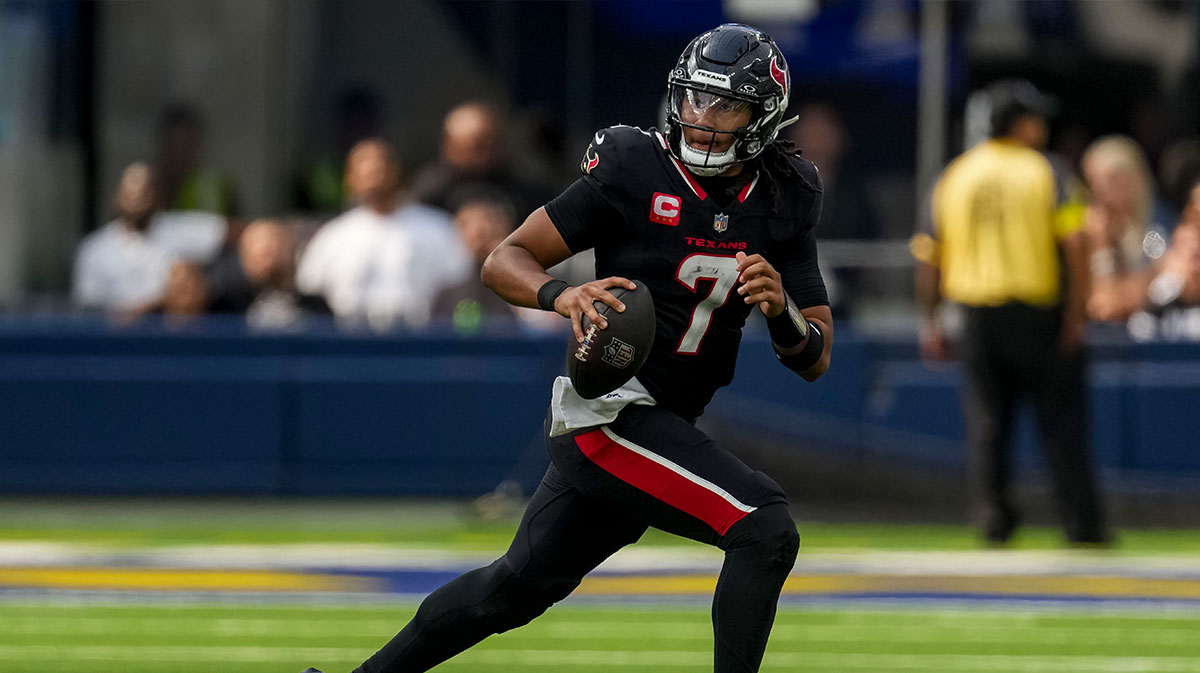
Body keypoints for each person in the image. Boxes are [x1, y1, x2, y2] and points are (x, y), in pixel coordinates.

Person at [301, 23, 832, 673]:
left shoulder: (785, 193)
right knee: (764, 527)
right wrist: (562, 296)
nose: (702, 118)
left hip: (661, 422)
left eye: (725, 105)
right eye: (694, 98)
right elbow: (506, 258)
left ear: (763, 116)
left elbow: (814, 355)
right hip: (612, 412)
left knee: (509, 591)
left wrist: (783, 315)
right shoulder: (636, 168)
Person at [911, 79, 1109, 546]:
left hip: (978, 316)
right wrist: (1077, 314)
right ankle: (1081, 523)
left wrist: (932, 319)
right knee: (1062, 426)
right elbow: (1077, 243)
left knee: (988, 426)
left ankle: (994, 519)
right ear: (1021, 124)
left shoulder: (955, 175)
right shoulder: (1050, 171)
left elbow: (929, 257)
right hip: (1039, 314)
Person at [295, 138, 471, 330]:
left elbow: (458, 285)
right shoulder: (333, 236)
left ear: (396, 171)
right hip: (349, 342)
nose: (373, 175)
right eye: (364, 169)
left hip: (419, 342)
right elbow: (310, 291)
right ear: (350, 178)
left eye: (380, 167)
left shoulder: (437, 227)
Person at [1080, 135, 1171, 322]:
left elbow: (1108, 305)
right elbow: (1097, 304)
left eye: (1109, 179)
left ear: (1135, 178)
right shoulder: (1099, 227)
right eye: (1092, 181)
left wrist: (1101, 246)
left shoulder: (1156, 228)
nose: (1099, 189)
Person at [72, 162, 178, 314]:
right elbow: (88, 303)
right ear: (118, 195)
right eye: (130, 193)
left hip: (163, 331)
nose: (137, 199)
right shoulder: (94, 248)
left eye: (145, 192)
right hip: (110, 333)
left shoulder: (177, 235)